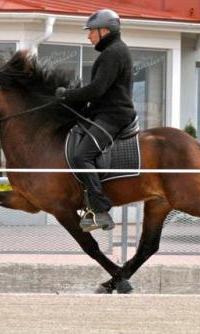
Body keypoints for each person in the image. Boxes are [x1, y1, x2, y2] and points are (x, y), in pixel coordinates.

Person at [55, 9, 136, 232]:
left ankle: (100, 210)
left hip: (114, 115)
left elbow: (98, 89)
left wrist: (68, 95)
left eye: (91, 31)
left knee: (82, 155)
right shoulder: (113, 51)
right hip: (105, 112)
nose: (88, 36)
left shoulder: (113, 53)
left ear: (104, 31)